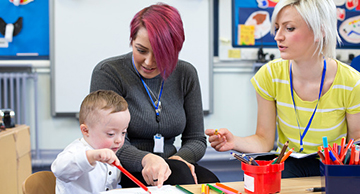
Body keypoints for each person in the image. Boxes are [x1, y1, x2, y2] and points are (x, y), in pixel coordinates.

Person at [206, 0, 360, 178]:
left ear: (320, 31)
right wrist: (234, 142)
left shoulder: (351, 82)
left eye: (289, 28)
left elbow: (354, 145)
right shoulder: (270, 75)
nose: (278, 36)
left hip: (333, 166)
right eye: (277, 28)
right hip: (289, 164)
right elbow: (264, 140)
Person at [90, 3, 219, 188]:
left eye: (160, 54)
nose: (149, 62)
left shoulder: (186, 73)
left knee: (210, 183)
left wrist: (178, 160)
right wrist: (148, 159)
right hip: (127, 167)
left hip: (172, 164)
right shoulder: (109, 72)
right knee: (182, 178)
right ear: (131, 41)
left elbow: (196, 139)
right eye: (141, 50)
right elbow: (109, 142)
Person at [51, 90, 130, 193]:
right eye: (111, 134)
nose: (119, 140)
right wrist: (91, 156)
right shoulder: (76, 150)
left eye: (123, 133)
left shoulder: (111, 153)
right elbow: (58, 169)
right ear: (86, 131)